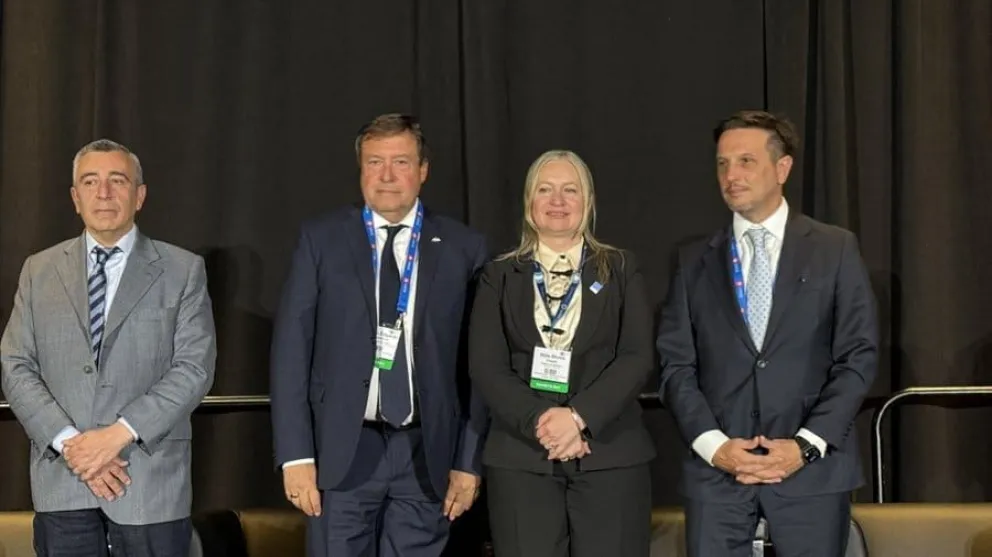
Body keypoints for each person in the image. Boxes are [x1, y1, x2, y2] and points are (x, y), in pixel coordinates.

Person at [657, 110, 879, 556]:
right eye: (722, 164)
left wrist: (805, 447)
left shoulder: (835, 249)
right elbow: (675, 365)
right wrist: (715, 447)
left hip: (812, 473)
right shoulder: (692, 259)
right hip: (718, 475)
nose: (731, 176)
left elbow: (858, 357)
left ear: (783, 168)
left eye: (746, 161)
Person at [269, 113, 490, 557]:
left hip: (427, 456)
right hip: (340, 457)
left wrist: (468, 461)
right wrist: (296, 456)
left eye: (401, 162)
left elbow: (479, 366)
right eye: (375, 162)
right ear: (361, 169)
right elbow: (291, 350)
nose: (387, 175)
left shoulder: (464, 247)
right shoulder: (321, 239)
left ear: (423, 171)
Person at [0, 139, 217, 557]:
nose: (103, 193)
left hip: (149, 486)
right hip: (64, 484)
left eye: (117, 181)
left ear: (140, 195)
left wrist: (117, 435)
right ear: (74, 197)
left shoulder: (183, 270)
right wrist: (72, 445)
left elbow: (194, 368)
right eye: (90, 182)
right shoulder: (38, 270)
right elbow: (15, 364)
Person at [468, 150, 656, 557]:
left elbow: (637, 356)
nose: (557, 201)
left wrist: (578, 418)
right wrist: (544, 422)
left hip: (610, 456)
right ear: (529, 201)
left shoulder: (621, 269)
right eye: (545, 190)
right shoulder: (498, 276)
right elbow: (486, 366)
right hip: (523, 459)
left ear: (588, 201)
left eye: (570, 190)